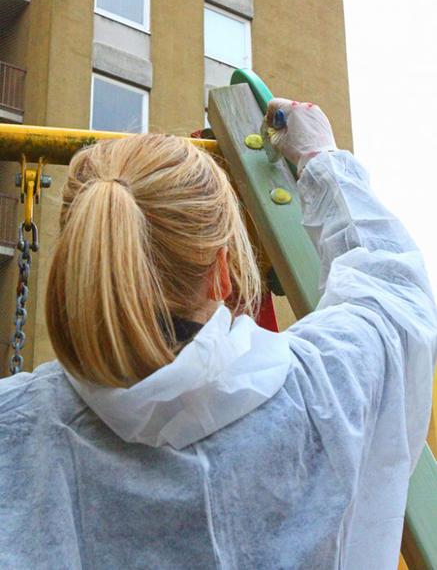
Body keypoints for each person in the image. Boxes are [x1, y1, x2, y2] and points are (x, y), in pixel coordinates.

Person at [0, 98, 436, 570]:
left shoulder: (16, 426)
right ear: (221, 274)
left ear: (84, 263)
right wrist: (320, 160)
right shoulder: (320, 395)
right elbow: (395, 297)